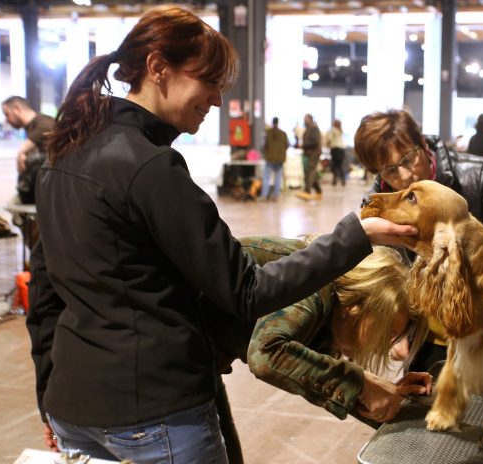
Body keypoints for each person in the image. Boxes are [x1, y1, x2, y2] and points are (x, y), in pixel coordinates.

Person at [26, 7, 416, 463]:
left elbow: (45, 294)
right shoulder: (151, 167)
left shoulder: (65, 155)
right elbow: (247, 290)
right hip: (154, 414)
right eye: (208, 81)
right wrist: (357, 236)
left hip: (73, 410)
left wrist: (48, 397)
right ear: (157, 68)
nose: (216, 97)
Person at [353, 109, 483, 372]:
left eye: (408, 159)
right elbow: (379, 276)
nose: (404, 176)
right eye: (390, 170)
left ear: (422, 144)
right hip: (431, 338)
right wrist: (392, 328)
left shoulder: (480, 175)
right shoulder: (377, 206)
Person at [207, 239, 432, 462]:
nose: (390, 345)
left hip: (200, 365)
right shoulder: (316, 284)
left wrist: (391, 402)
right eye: (388, 329)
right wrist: (362, 383)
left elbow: (315, 374)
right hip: (178, 366)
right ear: (356, 308)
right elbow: (266, 355)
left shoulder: (332, 310)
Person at [1, 96, 55, 249]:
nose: (7, 120)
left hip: (47, 192)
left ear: (17, 109)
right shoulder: (31, 128)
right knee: (15, 208)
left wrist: (22, 151)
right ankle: (34, 251)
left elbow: (47, 127)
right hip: (35, 190)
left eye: (7, 114)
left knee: (18, 209)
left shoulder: (41, 121)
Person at [260, 116, 289, 201]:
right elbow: (287, 145)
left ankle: (264, 196)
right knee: (278, 178)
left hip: (269, 158)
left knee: (266, 177)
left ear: (272, 122)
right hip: (279, 159)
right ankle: (276, 196)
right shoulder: (283, 133)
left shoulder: (267, 133)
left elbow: (263, 146)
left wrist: (267, 152)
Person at [295, 113, 323, 200]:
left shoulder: (314, 128)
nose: (304, 121)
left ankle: (307, 191)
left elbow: (315, 141)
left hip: (314, 153)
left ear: (310, 119)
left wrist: (303, 145)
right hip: (308, 153)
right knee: (311, 173)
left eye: (305, 119)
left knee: (310, 171)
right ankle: (318, 191)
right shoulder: (308, 129)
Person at [327, 119, 346, 186]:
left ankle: (334, 181)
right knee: (340, 165)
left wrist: (327, 145)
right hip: (342, 149)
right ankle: (343, 180)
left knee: (334, 165)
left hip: (335, 149)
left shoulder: (332, 130)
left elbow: (329, 139)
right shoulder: (340, 131)